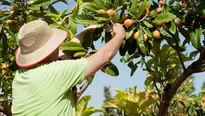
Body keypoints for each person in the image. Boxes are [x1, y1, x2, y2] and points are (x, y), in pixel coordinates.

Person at [12, 20, 125, 116]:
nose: (57, 47)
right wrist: (120, 34)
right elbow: (103, 57)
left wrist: (85, 32)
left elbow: (62, 55)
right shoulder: (56, 72)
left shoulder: (20, 76)